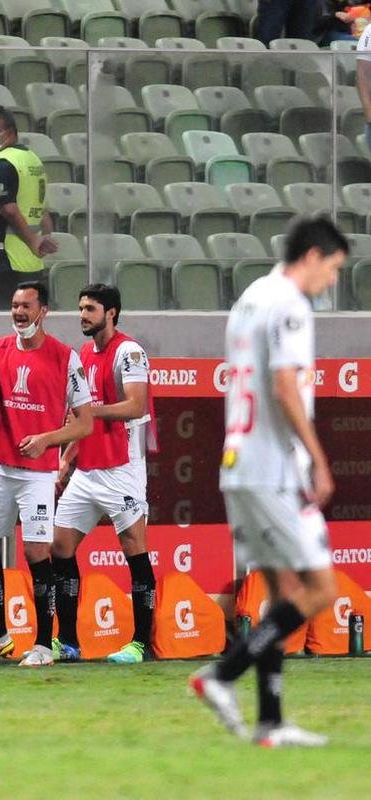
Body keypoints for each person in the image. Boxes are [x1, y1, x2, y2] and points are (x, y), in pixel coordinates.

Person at [191, 217, 347, 748]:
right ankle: (223, 675)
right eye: (332, 270)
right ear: (312, 256)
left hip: (239, 464)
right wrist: (319, 458)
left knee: (281, 594)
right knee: (321, 588)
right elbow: (284, 388)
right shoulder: (290, 305)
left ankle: (271, 720)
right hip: (273, 468)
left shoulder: (252, 297)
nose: (331, 283)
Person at [0, 281, 94, 667]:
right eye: (14, 305)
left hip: (37, 472)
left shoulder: (65, 358)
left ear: (43, 311)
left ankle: (41, 643)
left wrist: (47, 440)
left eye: (26, 306)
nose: (19, 312)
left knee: (37, 552)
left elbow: (85, 424)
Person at [52, 284, 157, 665]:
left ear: (111, 312)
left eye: (90, 309)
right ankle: (67, 642)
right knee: (60, 547)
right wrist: (67, 459)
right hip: (88, 471)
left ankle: (140, 643)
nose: (82, 315)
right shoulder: (83, 353)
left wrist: (91, 413)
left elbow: (136, 405)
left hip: (122, 470)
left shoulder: (128, 352)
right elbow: (80, 417)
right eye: (80, 308)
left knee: (135, 550)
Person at [0, 105, 57, 311]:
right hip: (28, 262)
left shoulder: (3, 163)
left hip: (1, 260)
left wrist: (33, 240)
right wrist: (45, 237)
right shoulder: (31, 159)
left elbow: (9, 209)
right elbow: (42, 208)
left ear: (11, 132)